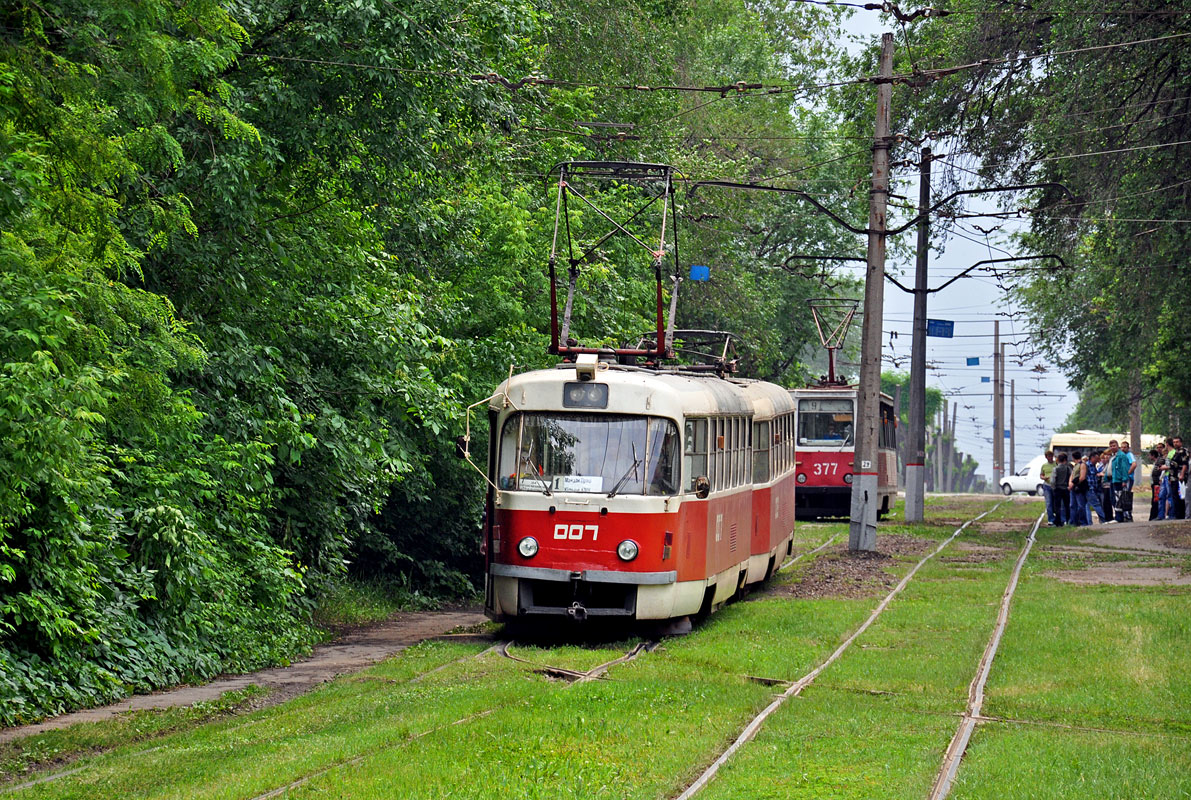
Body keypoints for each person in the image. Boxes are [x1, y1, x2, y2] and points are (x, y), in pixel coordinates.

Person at [1110, 441, 1134, 522]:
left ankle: (1120, 517)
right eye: (1111, 446)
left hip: (1120, 480)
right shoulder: (1114, 456)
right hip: (1115, 479)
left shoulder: (1121, 456)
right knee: (1116, 499)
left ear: (1117, 446)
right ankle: (1119, 516)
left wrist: (1124, 480)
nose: (1112, 447)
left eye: (1114, 446)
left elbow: (1124, 468)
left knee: (1120, 498)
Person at [1171, 436, 1189, 520]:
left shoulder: (1183, 451)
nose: (1175, 443)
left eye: (1177, 442)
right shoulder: (1176, 452)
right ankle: (1177, 514)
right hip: (1173, 477)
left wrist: (1182, 474)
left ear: (1181, 442)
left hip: (1180, 477)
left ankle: (1181, 515)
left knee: (1180, 496)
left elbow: (1185, 464)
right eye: (1174, 442)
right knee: (1174, 496)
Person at [1069, 450, 1089, 526]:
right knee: (1072, 505)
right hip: (1074, 488)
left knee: (1081, 505)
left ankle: (1083, 522)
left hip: (1079, 487)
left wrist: (1073, 483)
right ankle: (1074, 522)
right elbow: (1072, 475)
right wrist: (1070, 483)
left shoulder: (1082, 464)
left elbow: (1082, 477)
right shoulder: (1075, 465)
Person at [1087, 450, 1108, 524]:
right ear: (1092, 458)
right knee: (1096, 504)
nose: (1098, 460)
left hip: (1095, 488)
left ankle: (1089, 522)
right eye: (1096, 458)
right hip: (1090, 488)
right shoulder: (1087, 466)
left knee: (1087, 506)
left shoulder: (1093, 466)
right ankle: (1103, 519)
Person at [1052, 453, 1072, 527]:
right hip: (1066, 489)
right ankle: (1068, 520)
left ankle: (1058, 522)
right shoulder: (1068, 468)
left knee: (1057, 506)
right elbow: (1071, 476)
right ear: (1065, 460)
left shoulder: (1055, 469)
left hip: (1058, 489)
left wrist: (1053, 487)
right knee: (1067, 505)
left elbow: (1052, 480)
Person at [1039, 450, 1056, 525]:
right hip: (1047, 485)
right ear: (1046, 457)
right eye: (1048, 456)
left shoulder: (1056, 464)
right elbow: (1041, 475)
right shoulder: (1044, 465)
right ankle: (1051, 519)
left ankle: (1057, 518)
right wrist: (1044, 478)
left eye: (1051, 456)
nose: (1050, 458)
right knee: (1048, 503)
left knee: (1055, 503)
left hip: (1055, 486)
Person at [1149, 448, 1165, 521]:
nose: (1149, 457)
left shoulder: (1159, 461)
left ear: (1153, 455)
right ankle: (1153, 515)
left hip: (1156, 483)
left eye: (1150, 455)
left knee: (1156, 499)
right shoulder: (1155, 462)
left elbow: (1159, 471)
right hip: (1153, 483)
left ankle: (1154, 515)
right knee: (1154, 499)